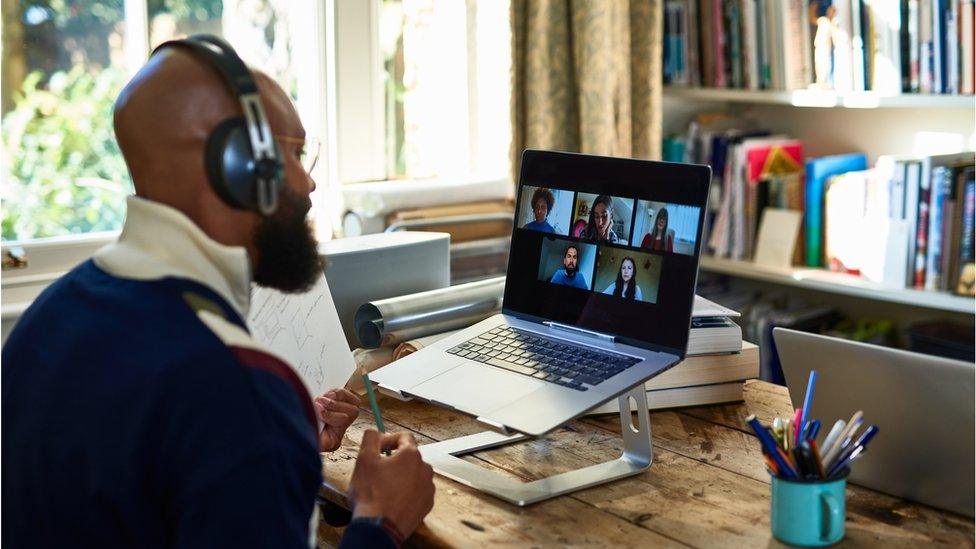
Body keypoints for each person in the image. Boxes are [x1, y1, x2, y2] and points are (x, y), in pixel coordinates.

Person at [1, 37, 434, 548]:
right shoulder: (238, 386)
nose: (308, 184)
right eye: (293, 153)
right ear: (235, 165)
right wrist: (379, 522)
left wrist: (268, 449)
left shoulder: (47, 319)